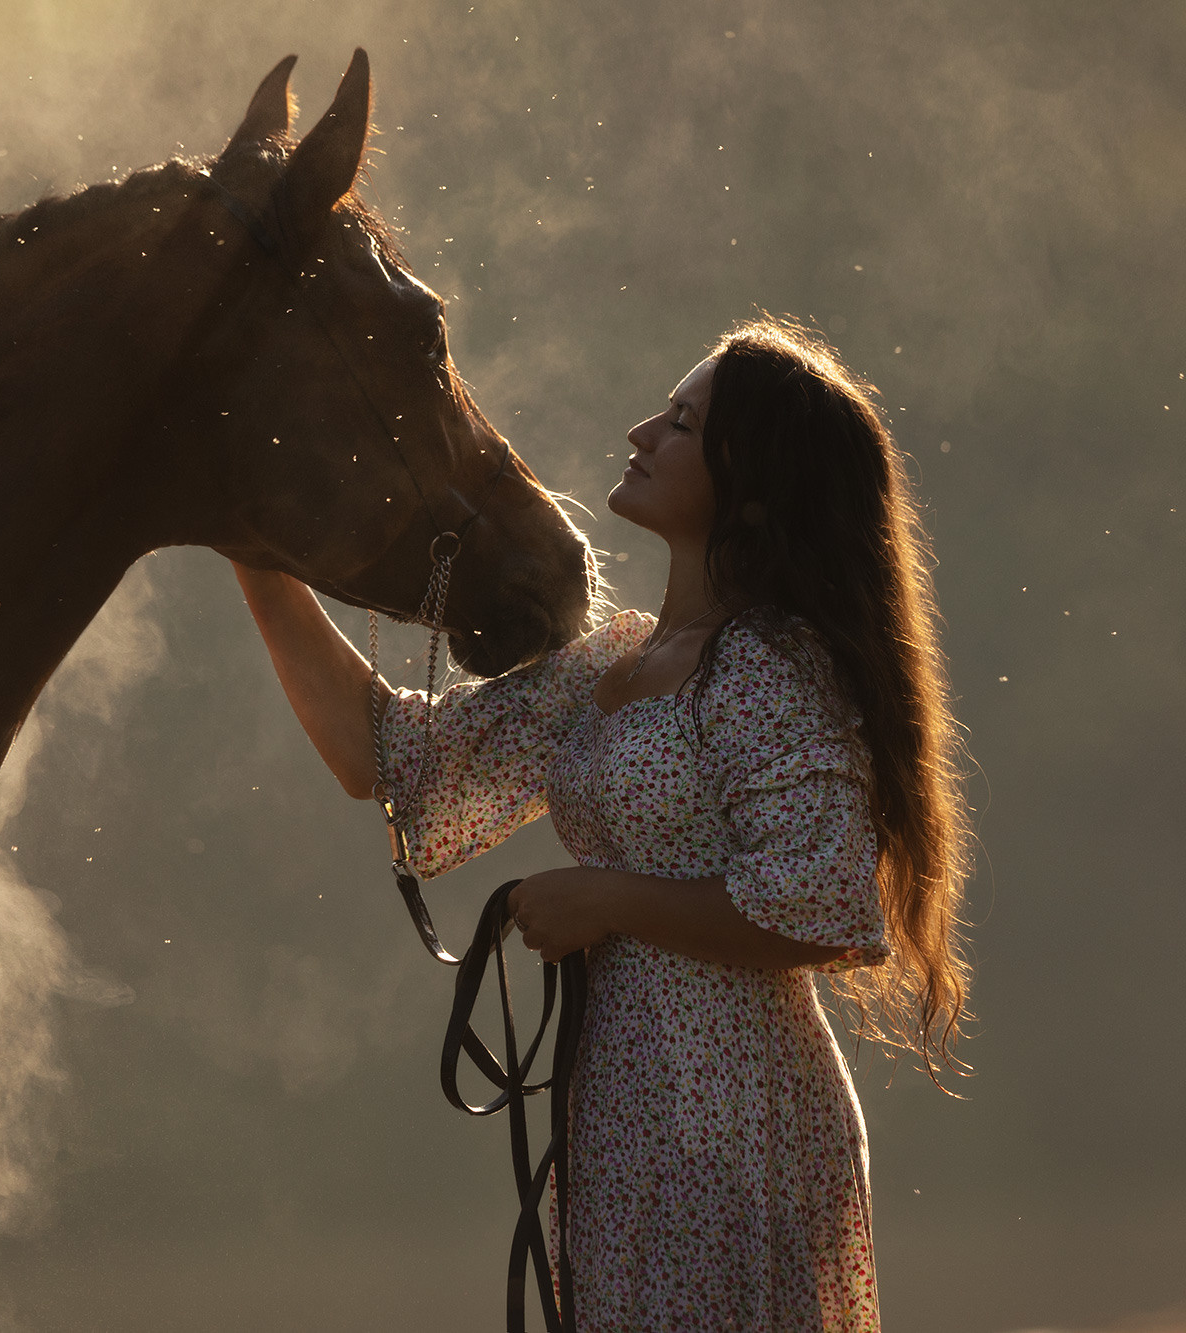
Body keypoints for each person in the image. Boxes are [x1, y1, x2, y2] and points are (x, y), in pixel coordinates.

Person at [232, 315, 970, 1330]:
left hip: (736, 1116)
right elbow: (392, 760)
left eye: (677, 422)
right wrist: (255, 554)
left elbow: (819, 910)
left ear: (749, 485)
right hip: (622, 1106)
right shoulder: (607, 662)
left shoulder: (769, 667)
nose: (639, 431)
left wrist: (605, 898)